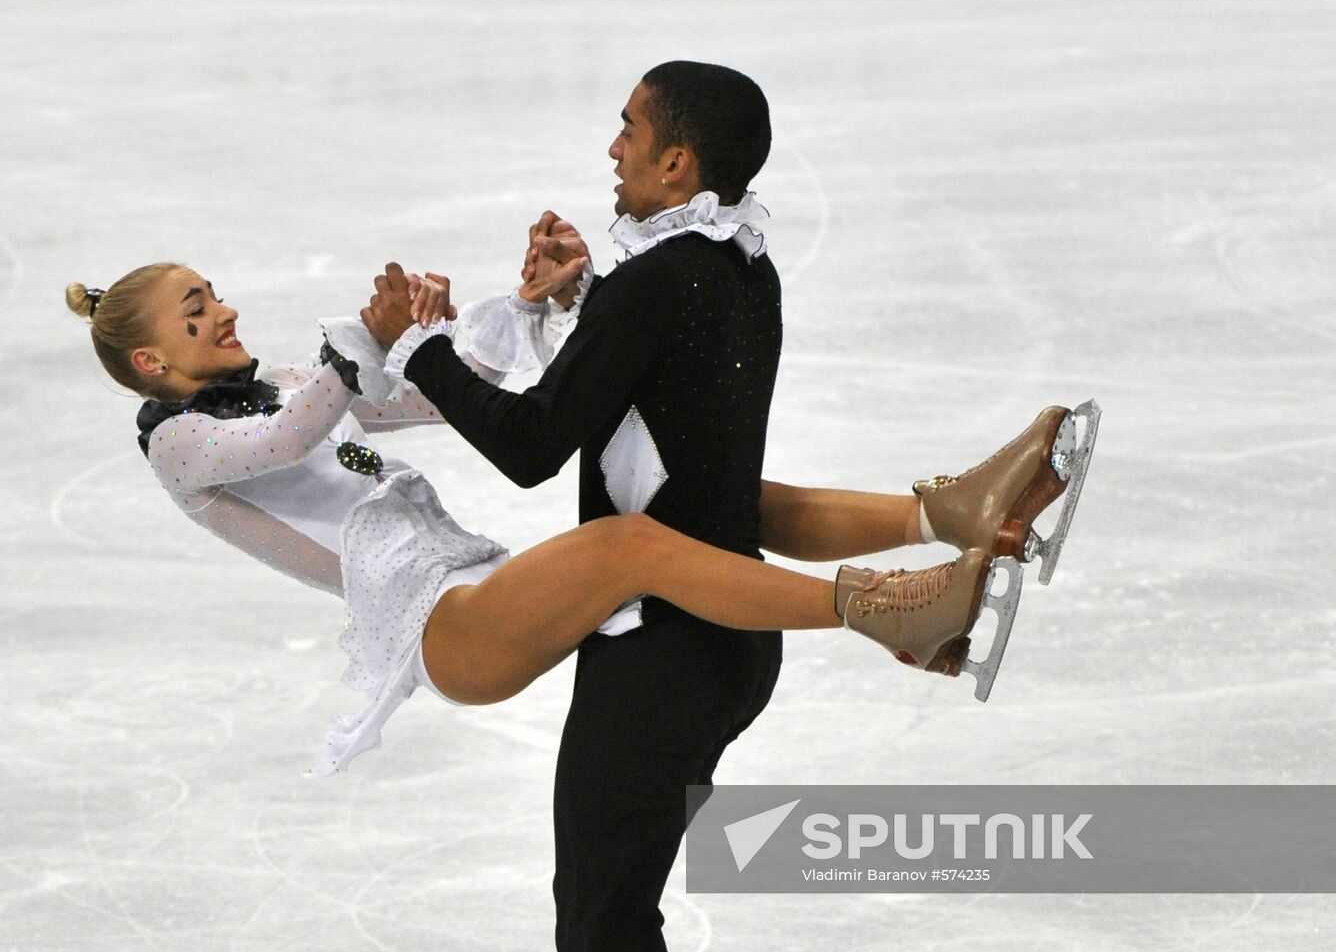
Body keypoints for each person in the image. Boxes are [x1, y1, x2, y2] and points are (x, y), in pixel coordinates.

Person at [366, 61, 1084, 952]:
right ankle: (951, 518)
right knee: (612, 906)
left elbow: (533, 444)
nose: (613, 148)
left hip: (660, 653)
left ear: (676, 162)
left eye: (629, 130)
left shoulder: (655, 285)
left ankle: (899, 595)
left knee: (602, 920)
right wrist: (586, 301)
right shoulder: (744, 270)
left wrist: (419, 346)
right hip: (731, 647)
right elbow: (669, 405)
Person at [65, 257, 1073, 780]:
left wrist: (511, 312)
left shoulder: (290, 381)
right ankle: (891, 613)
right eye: (197, 312)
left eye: (214, 293)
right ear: (151, 361)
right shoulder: (179, 447)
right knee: (633, 545)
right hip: (440, 627)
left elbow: (427, 401)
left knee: (695, 498)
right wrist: (358, 342)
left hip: (475, 581)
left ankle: (955, 511)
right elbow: (289, 440)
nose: (225, 311)